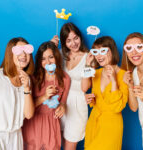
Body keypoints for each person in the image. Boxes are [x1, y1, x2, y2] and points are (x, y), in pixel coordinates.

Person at [82, 36, 128, 150]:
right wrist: (87, 65)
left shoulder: (124, 75)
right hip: (94, 122)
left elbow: (118, 107)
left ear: (112, 50)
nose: (99, 56)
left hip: (111, 125)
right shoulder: (96, 73)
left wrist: (113, 80)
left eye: (103, 51)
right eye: (96, 52)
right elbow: (84, 88)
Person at [22, 41, 70, 150]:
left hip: (51, 124)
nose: (47, 62)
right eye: (43, 59)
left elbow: (63, 101)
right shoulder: (32, 78)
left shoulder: (65, 79)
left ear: (57, 57)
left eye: (51, 57)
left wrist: (62, 106)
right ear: (39, 61)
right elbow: (26, 109)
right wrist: (44, 97)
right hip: (33, 123)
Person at [0, 37, 35, 150]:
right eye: (19, 51)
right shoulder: (0, 77)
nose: (23, 55)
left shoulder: (27, 80)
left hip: (16, 137)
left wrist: (26, 88)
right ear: (10, 53)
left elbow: (28, 114)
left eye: (26, 51)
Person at [58, 22, 89, 150]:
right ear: (64, 42)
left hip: (77, 105)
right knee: (57, 142)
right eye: (69, 40)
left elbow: (85, 88)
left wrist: (88, 65)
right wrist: (52, 47)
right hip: (60, 103)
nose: (74, 43)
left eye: (76, 38)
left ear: (80, 37)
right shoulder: (60, 54)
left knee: (70, 146)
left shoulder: (88, 56)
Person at [121, 32, 143, 150]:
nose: (134, 52)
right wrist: (129, 85)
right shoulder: (134, 74)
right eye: (129, 48)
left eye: (139, 47)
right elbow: (134, 108)